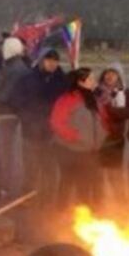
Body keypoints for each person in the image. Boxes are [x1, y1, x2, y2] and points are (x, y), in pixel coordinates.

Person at [11, 49, 67, 206]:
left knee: (49, 167)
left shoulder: (62, 81)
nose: (52, 64)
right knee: (31, 167)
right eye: (48, 60)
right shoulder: (27, 79)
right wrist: (27, 118)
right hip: (31, 130)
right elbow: (16, 100)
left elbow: (66, 104)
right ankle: (28, 197)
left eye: (55, 61)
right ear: (42, 60)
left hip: (52, 133)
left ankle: (48, 199)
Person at [50, 68, 107, 211]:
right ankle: (60, 214)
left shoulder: (93, 99)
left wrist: (103, 134)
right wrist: (76, 137)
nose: (94, 82)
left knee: (85, 185)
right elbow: (56, 122)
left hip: (89, 151)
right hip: (70, 150)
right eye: (91, 79)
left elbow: (102, 119)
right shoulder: (68, 99)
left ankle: (84, 216)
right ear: (81, 82)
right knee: (67, 183)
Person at [0, 36, 30, 198]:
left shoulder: (15, 69)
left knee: (7, 154)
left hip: (7, 115)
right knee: (4, 153)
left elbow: (6, 94)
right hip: (4, 113)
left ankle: (8, 188)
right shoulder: (13, 67)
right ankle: (4, 186)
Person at [95, 65, 129, 203]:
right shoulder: (97, 91)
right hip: (99, 139)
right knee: (98, 173)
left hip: (116, 139)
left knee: (115, 174)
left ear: (119, 76)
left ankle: (119, 204)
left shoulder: (125, 92)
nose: (110, 76)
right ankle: (99, 202)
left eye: (114, 73)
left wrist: (110, 110)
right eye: (107, 72)